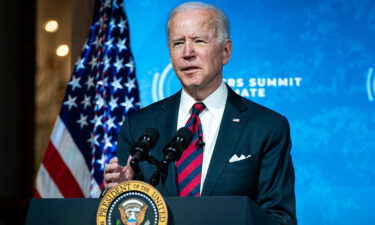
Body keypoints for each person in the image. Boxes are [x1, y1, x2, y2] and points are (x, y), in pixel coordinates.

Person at [104, 2, 296, 224]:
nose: (187, 53)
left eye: (199, 41)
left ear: (225, 51)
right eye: (178, 43)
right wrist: (120, 193)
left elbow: (280, 218)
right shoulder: (138, 125)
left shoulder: (266, 126)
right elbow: (124, 215)